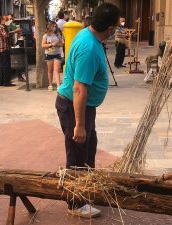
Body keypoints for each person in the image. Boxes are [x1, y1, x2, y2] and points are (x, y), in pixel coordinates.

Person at [55, 3, 120, 218]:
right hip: (75, 108)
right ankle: (75, 203)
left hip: (82, 108)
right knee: (77, 154)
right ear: (109, 28)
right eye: (116, 27)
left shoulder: (88, 36)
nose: (116, 31)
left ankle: (86, 190)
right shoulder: (90, 48)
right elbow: (79, 89)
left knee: (88, 150)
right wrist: (80, 125)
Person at [0, 15, 20, 86]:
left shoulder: (2, 27)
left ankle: (2, 82)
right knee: (6, 66)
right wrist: (14, 31)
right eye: (6, 19)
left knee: (3, 66)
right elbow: (6, 35)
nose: (7, 21)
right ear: (2, 20)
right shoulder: (1, 27)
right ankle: (6, 82)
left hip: (3, 49)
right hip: (4, 49)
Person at [41, 21, 64, 91]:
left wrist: (57, 44)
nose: (54, 27)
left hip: (57, 53)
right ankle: (50, 84)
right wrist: (51, 45)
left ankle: (58, 85)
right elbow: (43, 45)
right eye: (53, 26)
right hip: (49, 54)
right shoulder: (46, 35)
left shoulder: (58, 34)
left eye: (55, 26)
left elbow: (62, 43)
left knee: (57, 69)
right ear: (49, 27)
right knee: (50, 70)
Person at [7, 14, 26, 82]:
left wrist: (16, 33)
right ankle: (8, 78)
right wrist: (14, 32)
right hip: (7, 46)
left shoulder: (13, 25)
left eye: (12, 19)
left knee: (18, 61)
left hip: (14, 44)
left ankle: (19, 76)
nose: (10, 20)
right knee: (8, 63)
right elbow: (7, 34)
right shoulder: (5, 26)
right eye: (9, 19)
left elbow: (19, 30)